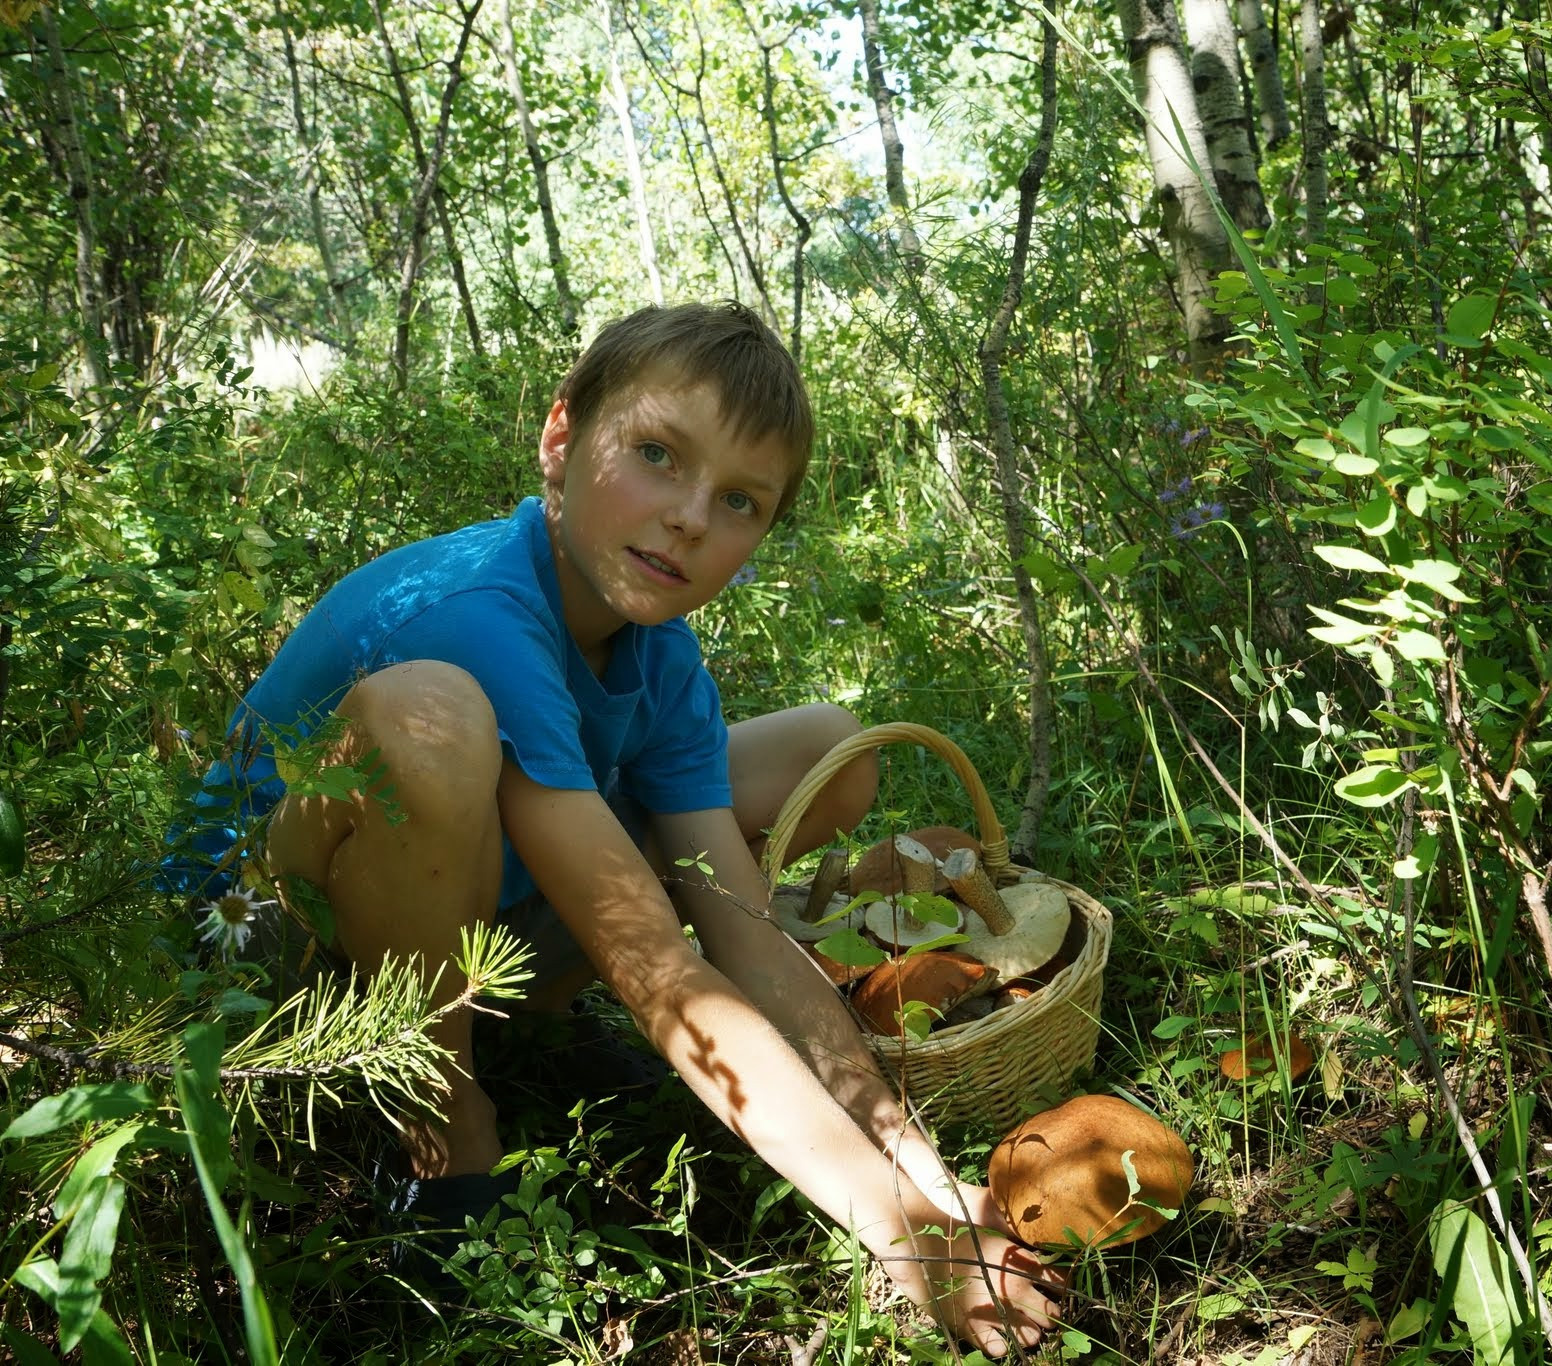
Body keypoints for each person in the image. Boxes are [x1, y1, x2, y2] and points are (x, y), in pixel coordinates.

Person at [164, 302, 1064, 1356]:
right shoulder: (475, 614)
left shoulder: (659, 657)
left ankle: (516, 1022)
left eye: (738, 500)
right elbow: (661, 972)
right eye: (654, 454)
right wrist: (898, 1235)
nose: (688, 515)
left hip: (448, 912)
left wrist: (908, 1156)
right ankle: (440, 1122)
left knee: (820, 742)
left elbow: (735, 930)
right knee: (432, 720)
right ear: (559, 438)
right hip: (265, 960)